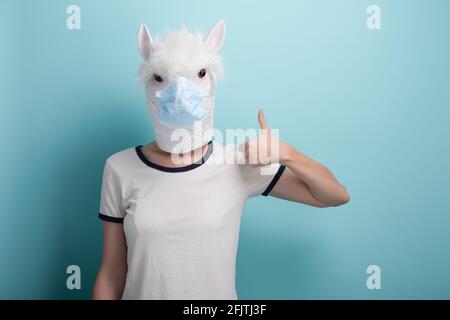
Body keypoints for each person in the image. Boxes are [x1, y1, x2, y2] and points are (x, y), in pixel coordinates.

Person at [92, 20, 349, 300]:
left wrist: (287, 154)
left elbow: (334, 196)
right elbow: (112, 272)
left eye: (198, 74)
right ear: (149, 83)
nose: (180, 93)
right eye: (160, 78)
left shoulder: (237, 163)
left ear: (210, 80)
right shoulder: (119, 168)